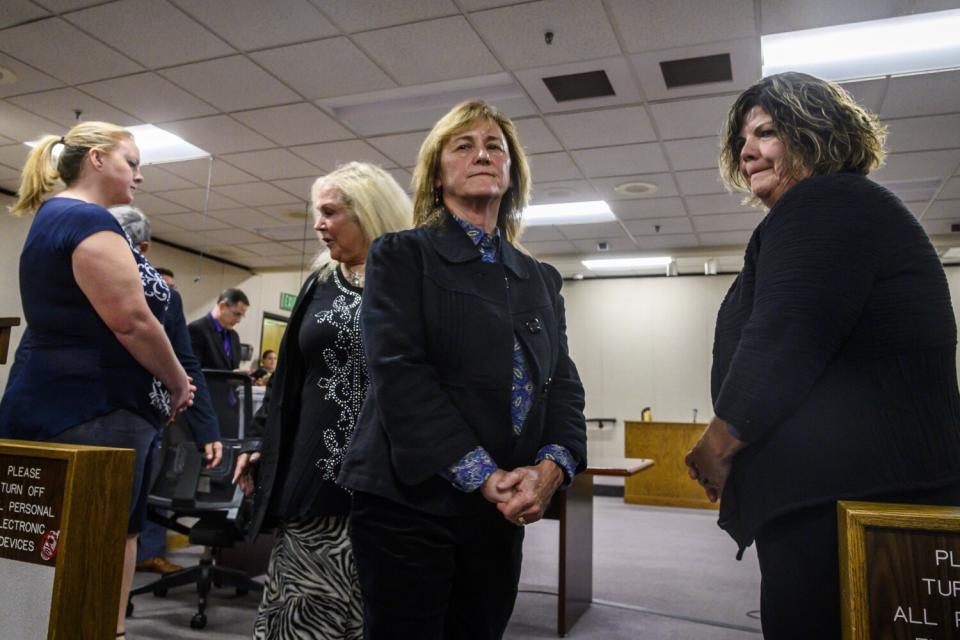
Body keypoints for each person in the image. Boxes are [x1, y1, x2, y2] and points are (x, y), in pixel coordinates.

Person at [684, 72, 960, 639]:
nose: (747, 151)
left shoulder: (823, 202)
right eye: (742, 140)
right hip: (859, 497)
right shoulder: (843, 209)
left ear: (814, 133)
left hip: (850, 508)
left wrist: (715, 449)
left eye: (765, 132)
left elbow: (783, 340)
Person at [337, 101, 588, 640]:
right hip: (410, 502)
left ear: (512, 171)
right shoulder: (401, 255)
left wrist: (553, 465)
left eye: (495, 146)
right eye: (464, 145)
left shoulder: (539, 278)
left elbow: (559, 383)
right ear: (437, 171)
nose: (482, 154)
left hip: (501, 511)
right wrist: (482, 474)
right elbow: (399, 372)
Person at [0, 121, 195, 639]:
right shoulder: (84, 220)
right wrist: (177, 381)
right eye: (131, 162)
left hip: (96, 409)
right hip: (88, 409)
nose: (139, 176)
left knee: (101, 546)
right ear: (96, 160)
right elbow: (130, 320)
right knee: (81, 557)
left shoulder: (73, 219)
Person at [232, 162, 412, 639]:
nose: (318, 224)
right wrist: (260, 442)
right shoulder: (320, 281)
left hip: (390, 487)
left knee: (379, 616)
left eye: (330, 212)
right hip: (314, 484)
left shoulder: (413, 284)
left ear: (368, 213)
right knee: (303, 620)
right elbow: (290, 377)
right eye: (318, 213)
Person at [110, 205, 222, 576]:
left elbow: (188, 367)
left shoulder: (165, 298)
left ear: (142, 250)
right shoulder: (75, 276)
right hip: (75, 418)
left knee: (124, 528)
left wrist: (207, 430)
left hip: (139, 422)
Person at [188, 288, 249, 371]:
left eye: (241, 316)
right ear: (222, 306)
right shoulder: (196, 329)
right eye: (236, 314)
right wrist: (229, 376)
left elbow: (233, 368)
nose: (238, 320)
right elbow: (193, 371)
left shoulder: (234, 336)